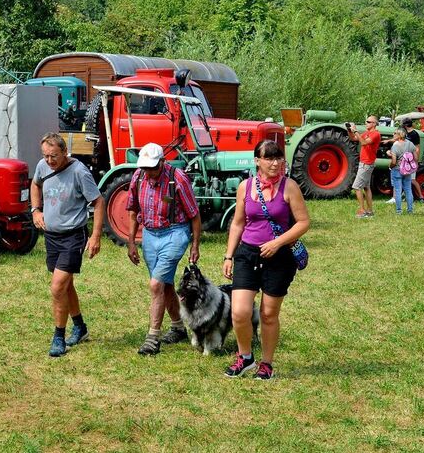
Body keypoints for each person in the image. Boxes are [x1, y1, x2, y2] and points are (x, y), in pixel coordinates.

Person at [222, 141, 310, 380]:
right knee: (239, 312)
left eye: (278, 158)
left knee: (269, 314)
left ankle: (266, 363)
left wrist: (278, 242)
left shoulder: (289, 187)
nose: (275, 163)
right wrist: (229, 255)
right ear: (257, 161)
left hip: (279, 257)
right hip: (247, 253)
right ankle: (246, 357)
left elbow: (303, 222)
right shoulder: (245, 187)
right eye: (269, 159)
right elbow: (238, 223)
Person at [30, 133, 104, 357]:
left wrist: (96, 236)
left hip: (73, 236)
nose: (49, 161)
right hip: (52, 236)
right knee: (65, 286)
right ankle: (80, 326)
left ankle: (58, 336)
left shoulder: (79, 172)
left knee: (57, 287)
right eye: (45, 156)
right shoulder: (43, 166)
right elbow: (35, 185)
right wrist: (36, 210)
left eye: (53, 156)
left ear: (64, 152)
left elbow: (99, 201)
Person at [125, 143, 201, 356]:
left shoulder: (178, 179)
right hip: (150, 234)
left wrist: (195, 245)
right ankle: (177, 327)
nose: (149, 173)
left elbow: (194, 214)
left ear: (162, 162)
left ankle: (152, 338)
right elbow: (133, 211)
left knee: (156, 283)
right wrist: (132, 242)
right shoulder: (138, 177)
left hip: (175, 233)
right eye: (145, 168)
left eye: (153, 168)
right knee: (164, 285)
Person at [346, 116, 380, 218]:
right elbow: (353, 138)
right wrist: (349, 130)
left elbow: (364, 143)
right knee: (366, 187)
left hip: (367, 164)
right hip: (365, 163)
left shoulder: (376, 134)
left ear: (374, 124)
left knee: (356, 187)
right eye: (366, 121)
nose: (366, 123)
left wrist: (356, 130)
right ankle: (370, 211)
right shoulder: (366, 133)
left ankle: (362, 211)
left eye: (369, 122)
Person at [387, 129, 417, 214]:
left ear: (399, 135)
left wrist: (390, 166)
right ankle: (410, 210)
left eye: (395, 133)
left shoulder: (395, 146)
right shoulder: (410, 144)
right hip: (407, 170)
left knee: (397, 190)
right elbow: (416, 157)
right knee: (408, 190)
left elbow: (393, 161)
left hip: (397, 170)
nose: (393, 134)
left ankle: (399, 211)